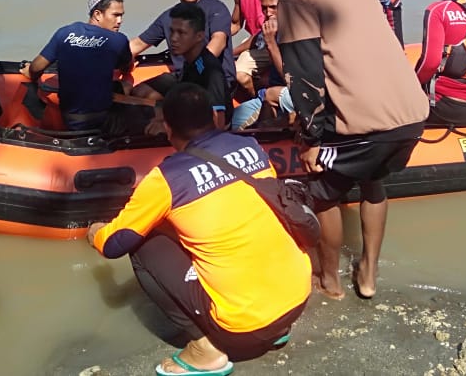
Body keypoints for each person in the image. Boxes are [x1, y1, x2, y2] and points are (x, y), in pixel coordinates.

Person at [88, 82, 311, 376]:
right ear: (216, 118)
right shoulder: (250, 147)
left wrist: (95, 232)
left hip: (243, 326)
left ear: (167, 129)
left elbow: (114, 244)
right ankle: (276, 328)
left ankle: (205, 350)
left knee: (142, 244)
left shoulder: (166, 177)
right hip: (297, 301)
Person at [277, 0, 427, 300]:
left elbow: (305, 74)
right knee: (373, 182)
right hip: (411, 113)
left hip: (363, 120)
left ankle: (330, 279)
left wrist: (310, 138)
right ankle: (368, 273)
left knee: (323, 191)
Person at [20, 0, 132, 131]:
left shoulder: (64, 33)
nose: (120, 21)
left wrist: (30, 72)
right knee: (128, 83)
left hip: (70, 117)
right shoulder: (118, 40)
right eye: (115, 15)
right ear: (97, 14)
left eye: (122, 15)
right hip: (103, 118)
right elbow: (127, 68)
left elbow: (36, 68)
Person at [129, 0, 234, 98]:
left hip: (214, 77)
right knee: (139, 93)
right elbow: (137, 44)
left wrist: (195, 68)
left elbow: (218, 42)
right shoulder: (168, 16)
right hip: (182, 78)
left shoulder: (216, 8)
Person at [143, 2, 230, 133]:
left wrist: (171, 129)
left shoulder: (210, 70)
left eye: (181, 33)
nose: (173, 38)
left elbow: (219, 123)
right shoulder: (190, 61)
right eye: (171, 31)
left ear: (199, 36)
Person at [230, 0, 294, 131]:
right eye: (264, 8)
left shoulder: (293, 32)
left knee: (244, 128)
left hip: (286, 95)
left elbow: (288, 77)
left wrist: (271, 43)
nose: (268, 13)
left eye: (273, 7)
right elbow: (253, 40)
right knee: (233, 121)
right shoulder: (270, 27)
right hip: (264, 94)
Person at [230, 0, 286, 97]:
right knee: (239, 75)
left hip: (285, 43)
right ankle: (255, 100)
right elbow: (235, 24)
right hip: (256, 44)